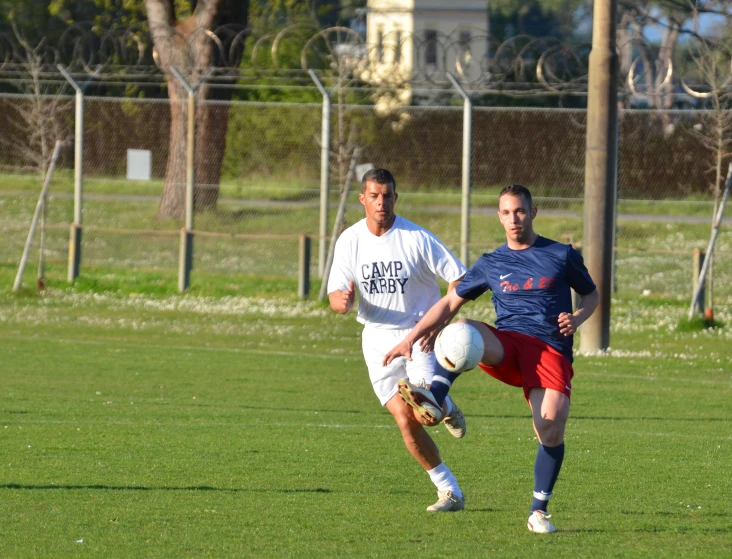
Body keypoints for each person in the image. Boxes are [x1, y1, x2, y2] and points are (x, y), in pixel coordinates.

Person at [383, 184, 600, 532]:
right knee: (462, 330)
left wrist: (576, 317)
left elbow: (591, 294)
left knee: (550, 428)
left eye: (520, 211)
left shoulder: (561, 255)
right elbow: (450, 303)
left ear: (532, 212)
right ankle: (436, 399)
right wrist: (411, 338)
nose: (514, 219)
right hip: (508, 345)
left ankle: (538, 511)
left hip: (549, 350)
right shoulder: (491, 262)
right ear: (499, 216)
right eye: (506, 212)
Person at [327, 168, 469, 512]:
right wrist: (341, 302)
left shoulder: (416, 238)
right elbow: (335, 293)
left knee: (425, 416)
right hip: (377, 341)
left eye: (387, 195)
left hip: (419, 335)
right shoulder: (350, 239)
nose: (381, 202)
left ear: (395, 198)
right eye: (374, 196)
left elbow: (461, 280)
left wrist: (440, 320)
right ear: (362, 199)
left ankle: (443, 407)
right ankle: (450, 491)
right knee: (405, 418)